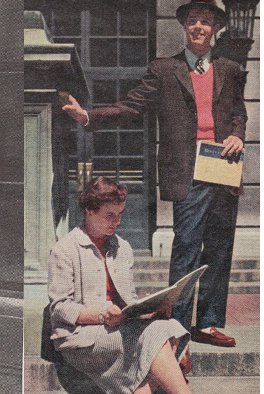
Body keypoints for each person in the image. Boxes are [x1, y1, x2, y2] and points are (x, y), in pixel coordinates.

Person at [62, 0, 247, 348]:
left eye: (205, 22)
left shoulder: (230, 69)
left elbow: (239, 112)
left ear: (215, 29)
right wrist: (88, 116)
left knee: (220, 247)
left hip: (223, 166)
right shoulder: (165, 69)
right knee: (187, 248)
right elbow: (131, 106)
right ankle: (177, 329)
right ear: (184, 26)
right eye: (193, 20)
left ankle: (207, 323)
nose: (199, 27)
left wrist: (237, 133)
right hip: (188, 171)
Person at [48, 176, 236, 394]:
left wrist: (151, 309)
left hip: (116, 327)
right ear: (89, 211)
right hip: (80, 337)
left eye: (120, 215)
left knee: (168, 326)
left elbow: (129, 300)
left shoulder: (121, 247)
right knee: (164, 341)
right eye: (109, 215)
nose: (116, 222)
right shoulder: (64, 248)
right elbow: (60, 308)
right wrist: (101, 314)